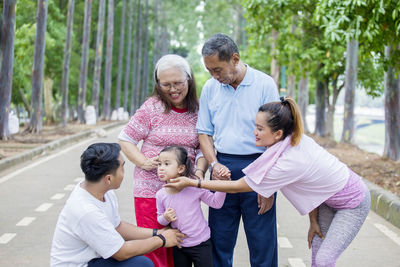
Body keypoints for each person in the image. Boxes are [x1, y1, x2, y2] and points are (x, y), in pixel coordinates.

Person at [166, 97, 371, 267]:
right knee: (317, 258)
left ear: (277, 133)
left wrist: (192, 183)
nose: (254, 132)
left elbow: (239, 186)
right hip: (326, 199)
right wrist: (313, 221)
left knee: (325, 259)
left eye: (259, 128)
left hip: (353, 202)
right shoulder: (286, 142)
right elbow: (313, 188)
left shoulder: (290, 160)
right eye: (255, 126)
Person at [197, 33, 280, 267]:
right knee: (219, 241)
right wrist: (214, 164)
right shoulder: (211, 88)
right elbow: (204, 132)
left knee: (262, 242)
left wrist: (268, 185)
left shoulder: (264, 84)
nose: (214, 76)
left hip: (259, 167)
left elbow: (275, 138)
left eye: (217, 69)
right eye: (210, 71)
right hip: (222, 168)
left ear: (235, 59)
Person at [118, 54, 208, 266]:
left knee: (181, 246)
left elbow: (204, 149)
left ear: (189, 79)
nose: (173, 89)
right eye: (166, 84)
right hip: (150, 191)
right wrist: (143, 162)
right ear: (158, 85)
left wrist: (200, 174)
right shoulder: (152, 107)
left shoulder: (199, 109)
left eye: (178, 83)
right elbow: (126, 139)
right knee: (155, 244)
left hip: (184, 191)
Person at [50, 143, 185, 267]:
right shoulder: (86, 211)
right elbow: (121, 252)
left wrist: (156, 232)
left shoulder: (98, 188)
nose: (124, 172)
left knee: (141, 261)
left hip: (94, 258)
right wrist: (162, 239)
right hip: (79, 264)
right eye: (122, 167)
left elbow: (117, 226)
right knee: (142, 264)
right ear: (108, 178)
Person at [156, 145, 226, 267]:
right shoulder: (161, 194)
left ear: (181, 168)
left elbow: (216, 203)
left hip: (202, 244)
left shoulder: (194, 188)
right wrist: (165, 217)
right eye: (159, 164)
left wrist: (223, 185)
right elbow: (160, 219)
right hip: (179, 245)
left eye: (167, 164)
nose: (161, 168)